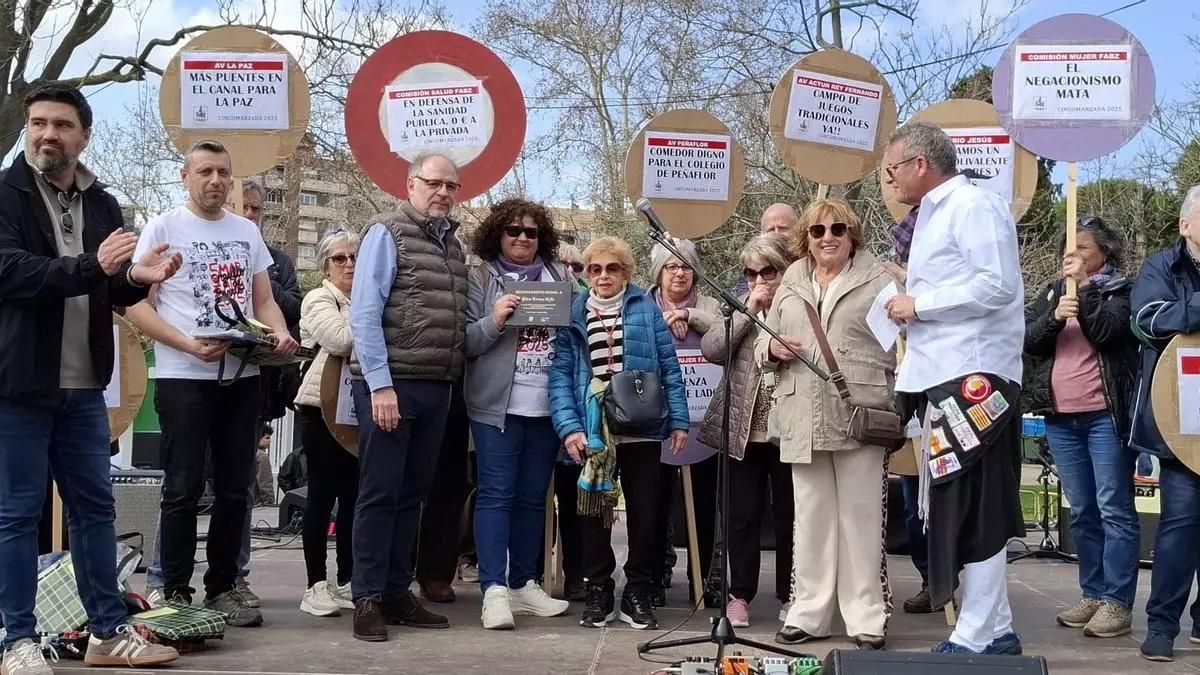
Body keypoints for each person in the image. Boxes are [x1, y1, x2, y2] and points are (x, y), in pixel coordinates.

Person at [0, 83, 182, 673]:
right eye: (38, 123)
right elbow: (12, 273)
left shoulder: (102, 202)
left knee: (95, 511)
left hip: (84, 386)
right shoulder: (5, 194)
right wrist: (93, 266)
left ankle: (106, 632)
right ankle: (16, 640)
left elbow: (108, 285)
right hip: (19, 384)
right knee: (17, 514)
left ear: (84, 134)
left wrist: (139, 277)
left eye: (60, 125)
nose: (47, 134)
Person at [124, 139, 298, 628]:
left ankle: (225, 586)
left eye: (223, 172)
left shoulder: (245, 231)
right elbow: (136, 303)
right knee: (181, 487)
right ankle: (173, 586)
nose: (216, 181)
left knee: (235, 490)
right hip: (184, 376)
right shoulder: (163, 227)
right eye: (205, 171)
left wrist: (280, 334)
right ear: (185, 177)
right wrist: (183, 343)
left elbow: (263, 301)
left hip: (242, 375)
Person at [882, 121, 1026, 655]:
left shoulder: (972, 205)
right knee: (960, 500)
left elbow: (996, 284)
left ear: (921, 164)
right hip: (946, 376)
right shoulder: (937, 214)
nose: (890, 180)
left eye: (893, 169)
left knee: (973, 505)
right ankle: (1000, 628)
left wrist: (918, 304)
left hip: (976, 379)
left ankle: (974, 635)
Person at [757, 199, 896, 651]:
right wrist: (770, 351)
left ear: (852, 234)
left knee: (860, 520)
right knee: (811, 521)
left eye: (838, 228)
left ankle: (867, 618)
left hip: (860, 412)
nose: (828, 237)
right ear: (806, 239)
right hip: (801, 414)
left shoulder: (882, 279)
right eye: (817, 231)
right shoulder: (791, 281)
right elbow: (765, 338)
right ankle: (809, 613)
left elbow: (905, 345)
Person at [347, 153, 469, 642]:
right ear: (411, 184)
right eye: (434, 183)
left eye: (451, 185)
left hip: (435, 387)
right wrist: (379, 384)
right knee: (379, 495)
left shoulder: (453, 247)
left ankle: (398, 592)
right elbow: (364, 312)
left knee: (412, 496)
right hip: (390, 387)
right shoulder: (387, 232)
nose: (443, 192)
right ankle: (368, 598)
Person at [549, 236, 689, 631]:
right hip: (593, 429)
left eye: (612, 268)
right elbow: (560, 375)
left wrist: (677, 420)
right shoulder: (574, 311)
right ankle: (599, 590)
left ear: (626, 272)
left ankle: (639, 591)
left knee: (646, 514)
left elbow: (669, 367)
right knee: (593, 514)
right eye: (595, 269)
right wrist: (569, 427)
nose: (603, 276)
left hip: (642, 428)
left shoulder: (645, 307)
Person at [1024, 215, 1140, 638]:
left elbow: (1108, 332)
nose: (1071, 257)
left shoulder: (1121, 291)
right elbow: (1028, 340)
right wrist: (1055, 316)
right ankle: (1093, 592)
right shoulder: (1054, 292)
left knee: (1114, 509)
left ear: (1104, 253)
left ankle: (1118, 602)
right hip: (1061, 417)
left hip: (1105, 417)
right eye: (1067, 250)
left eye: (1083, 249)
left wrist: (1087, 293)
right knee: (1084, 511)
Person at [464, 198, 574, 629]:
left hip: (547, 406)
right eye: (513, 231)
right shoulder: (480, 276)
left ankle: (524, 583)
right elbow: (468, 342)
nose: (522, 238)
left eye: (531, 232)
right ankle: (493, 589)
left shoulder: (559, 275)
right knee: (496, 494)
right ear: (498, 234)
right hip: (497, 406)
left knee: (533, 499)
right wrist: (494, 319)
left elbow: (572, 334)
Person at [697, 233, 796, 628]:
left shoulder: (798, 306)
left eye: (767, 271)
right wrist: (747, 311)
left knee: (790, 516)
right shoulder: (737, 306)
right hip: (744, 431)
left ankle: (791, 594)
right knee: (742, 516)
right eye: (751, 272)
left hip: (788, 430)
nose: (759, 279)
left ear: (783, 270)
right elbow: (712, 349)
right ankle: (740, 595)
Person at [1129, 185, 1200, 663]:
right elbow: (1146, 320)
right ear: (1186, 225)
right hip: (1183, 424)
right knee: (1179, 526)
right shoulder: (1160, 266)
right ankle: (1161, 625)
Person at [647, 238, 721, 608]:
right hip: (654, 424)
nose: (679, 272)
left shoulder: (709, 305)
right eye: (672, 266)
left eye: (686, 266)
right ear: (659, 271)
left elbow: (726, 332)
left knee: (706, 506)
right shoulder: (643, 305)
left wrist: (690, 317)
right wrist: (661, 324)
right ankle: (654, 574)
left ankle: (704, 576)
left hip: (701, 424)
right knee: (654, 504)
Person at [294, 228, 359, 617]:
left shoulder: (362, 298)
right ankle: (314, 584)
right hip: (319, 407)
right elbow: (339, 339)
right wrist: (371, 317)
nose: (349, 264)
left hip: (355, 409)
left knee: (353, 497)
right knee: (321, 496)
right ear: (325, 265)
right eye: (340, 258)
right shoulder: (319, 298)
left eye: (354, 257)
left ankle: (349, 579)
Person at [253, 423, 276, 506]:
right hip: (258, 504)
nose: (269, 441)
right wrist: (269, 502)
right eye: (267, 438)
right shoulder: (262, 456)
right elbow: (265, 483)